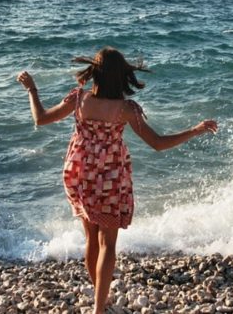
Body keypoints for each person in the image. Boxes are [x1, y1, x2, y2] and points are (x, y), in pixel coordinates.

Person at [17, 47, 218, 314]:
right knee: (107, 243)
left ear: (95, 74)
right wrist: (194, 130)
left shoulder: (79, 99)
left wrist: (32, 89)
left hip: (79, 174)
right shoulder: (126, 109)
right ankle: (99, 308)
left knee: (91, 237)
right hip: (110, 177)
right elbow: (157, 143)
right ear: (121, 77)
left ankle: (100, 296)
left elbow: (40, 119)